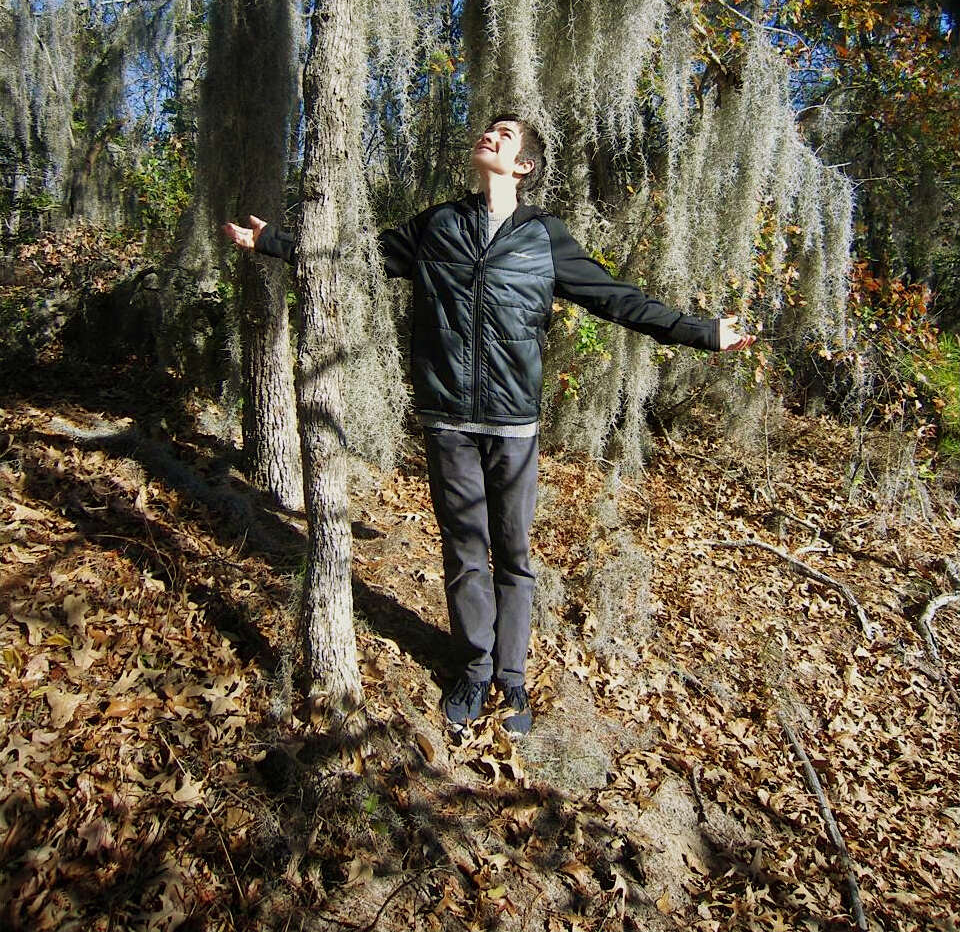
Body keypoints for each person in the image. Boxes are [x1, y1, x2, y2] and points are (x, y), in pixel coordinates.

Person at [224, 115, 754, 735]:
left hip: (514, 423)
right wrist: (277, 243)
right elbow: (357, 257)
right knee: (465, 550)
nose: (490, 136)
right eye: (489, 130)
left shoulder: (544, 238)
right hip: (447, 415)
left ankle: (513, 679)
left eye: (506, 135)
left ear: (524, 165)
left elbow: (619, 299)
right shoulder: (438, 225)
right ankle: (475, 671)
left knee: (514, 553)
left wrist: (701, 333)